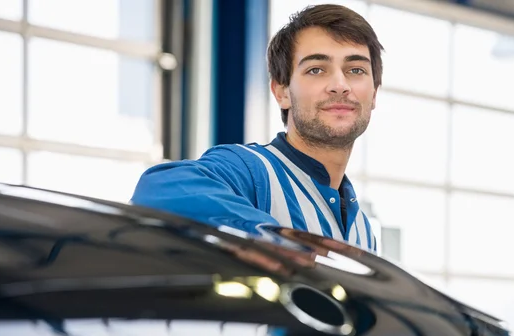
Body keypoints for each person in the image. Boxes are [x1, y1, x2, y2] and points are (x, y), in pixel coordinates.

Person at [131, 4, 384, 253]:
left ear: (373, 95)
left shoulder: (363, 232)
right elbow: (161, 187)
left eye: (356, 70)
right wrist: (278, 245)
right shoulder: (253, 170)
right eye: (316, 69)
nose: (340, 85)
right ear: (282, 92)